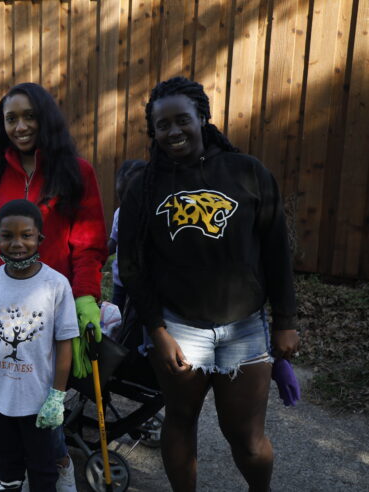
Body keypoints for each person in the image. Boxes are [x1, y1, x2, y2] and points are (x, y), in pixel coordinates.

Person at [117, 76, 299, 492]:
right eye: (162, 125)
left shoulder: (247, 172)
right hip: (179, 329)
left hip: (244, 328)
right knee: (181, 421)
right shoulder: (143, 188)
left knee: (247, 439)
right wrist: (156, 330)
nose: (173, 131)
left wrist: (286, 320)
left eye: (182, 120)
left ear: (202, 118)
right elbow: (132, 267)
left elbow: (276, 253)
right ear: (153, 131)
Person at [0, 82, 107, 490]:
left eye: (29, 116)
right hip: (6, 304)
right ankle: (26, 469)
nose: (21, 126)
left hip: (56, 303)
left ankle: (54, 463)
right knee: (13, 382)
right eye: (11, 119)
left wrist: (84, 297)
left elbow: (89, 243)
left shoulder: (77, 172)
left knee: (51, 388)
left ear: (46, 119)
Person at [0, 199, 78, 492]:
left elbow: (65, 343)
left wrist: (56, 396)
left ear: (39, 238)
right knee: (7, 466)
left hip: (38, 402)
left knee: (42, 470)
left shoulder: (56, 285)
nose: (17, 243)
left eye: (26, 235)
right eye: (8, 235)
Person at [107, 159, 145, 311]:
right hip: (121, 281)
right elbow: (113, 242)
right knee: (117, 317)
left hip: (145, 283)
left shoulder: (153, 217)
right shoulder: (120, 213)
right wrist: (97, 258)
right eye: (123, 198)